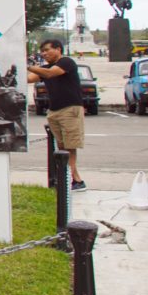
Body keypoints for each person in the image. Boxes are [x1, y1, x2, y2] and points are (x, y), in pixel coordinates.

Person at [27, 39, 86, 191]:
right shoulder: (45, 68)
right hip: (54, 111)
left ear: (58, 49)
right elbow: (29, 79)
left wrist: (28, 65)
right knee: (61, 146)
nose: (44, 54)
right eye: (42, 51)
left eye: (47, 50)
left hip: (70, 109)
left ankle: (71, 180)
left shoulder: (66, 62)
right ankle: (70, 179)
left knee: (70, 146)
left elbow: (50, 73)